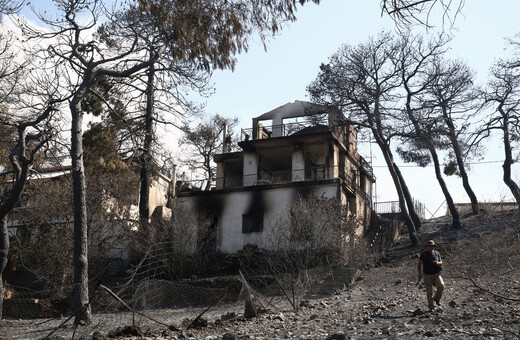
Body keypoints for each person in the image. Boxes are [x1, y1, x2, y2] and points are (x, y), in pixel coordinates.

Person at [417, 240, 444, 310]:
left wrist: (437, 263)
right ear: (427, 247)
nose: (431, 247)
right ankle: (431, 306)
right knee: (429, 292)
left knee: (441, 285)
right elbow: (419, 264)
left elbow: (441, 262)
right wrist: (419, 274)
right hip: (427, 275)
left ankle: (436, 298)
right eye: (429, 246)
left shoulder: (437, 253)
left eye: (432, 246)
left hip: (436, 274)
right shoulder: (423, 254)